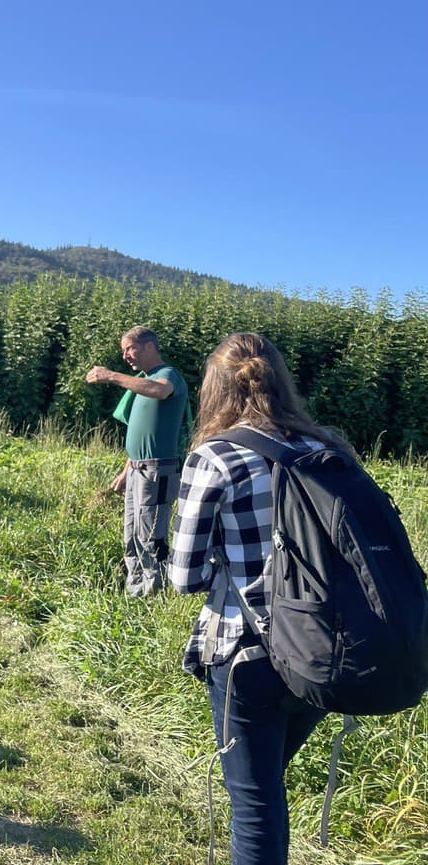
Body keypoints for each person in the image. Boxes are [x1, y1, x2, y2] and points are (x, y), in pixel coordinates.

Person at [169, 332, 339, 865]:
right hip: (321, 651)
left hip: (248, 651)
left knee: (254, 804)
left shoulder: (216, 457)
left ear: (215, 389)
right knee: (265, 787)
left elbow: (184, 575)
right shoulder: (327, 450)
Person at [85, 325, 188, 596]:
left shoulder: (167, 375)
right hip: (136, 469)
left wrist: (111, 376)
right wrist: (126, 469)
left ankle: (155, 594)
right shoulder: (143, 380)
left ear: (149, 346)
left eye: (130, 348)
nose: (125, 356)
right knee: (131, 535)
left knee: (151, 535)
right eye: (123, 351)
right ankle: (136, 592)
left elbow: (161, 391)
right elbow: (142, 435)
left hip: (156, 470)